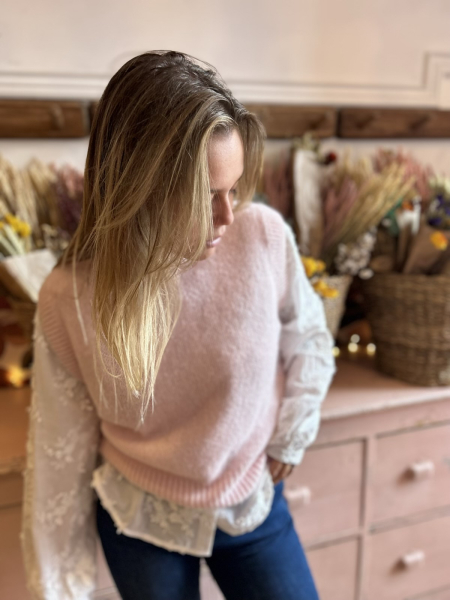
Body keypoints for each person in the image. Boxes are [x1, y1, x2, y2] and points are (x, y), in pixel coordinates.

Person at [21, 50, 336, 600]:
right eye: (204, 197)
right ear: (136, 187)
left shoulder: (263, 237)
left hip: (250, 500)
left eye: (233, 189)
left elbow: (308, 336)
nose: (227, 217)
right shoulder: (67, 298)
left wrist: (292, 432)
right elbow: (59, 450)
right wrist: (59, 587)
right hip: (139, 516)